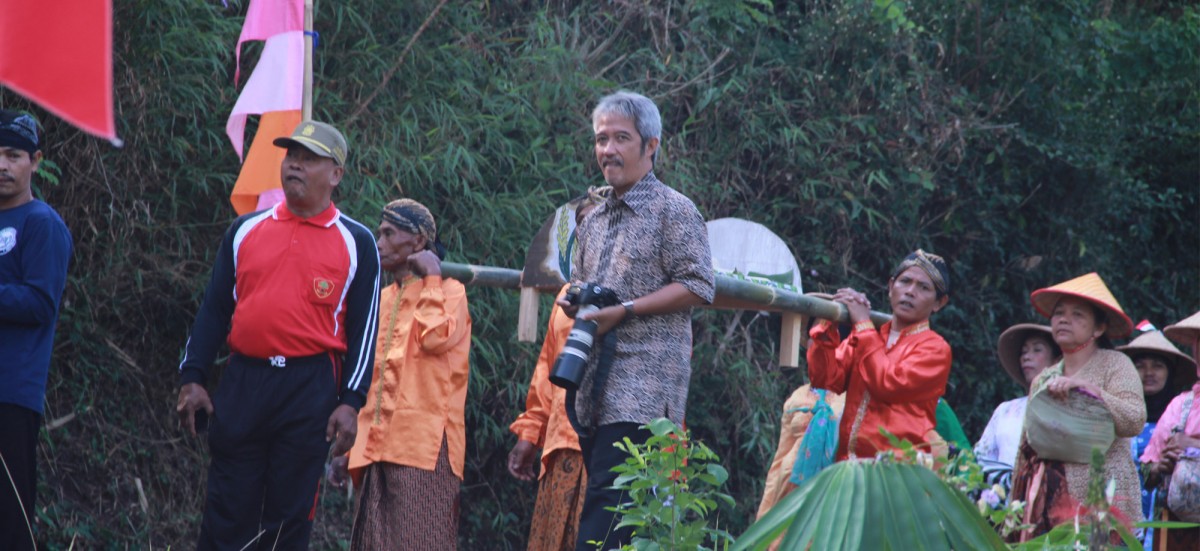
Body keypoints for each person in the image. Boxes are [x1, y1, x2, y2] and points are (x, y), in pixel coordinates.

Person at [174, 120, 380, 550]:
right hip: (244, 380)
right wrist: (191, 377)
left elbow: (365, 332)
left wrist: (351, 402)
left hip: (309, 388)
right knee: (227, 504)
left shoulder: (357, 242)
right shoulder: (245, 230)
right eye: (291, 157)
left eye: (309, 159)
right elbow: (213, 310)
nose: (296, 166)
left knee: (289, 513)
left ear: (336, 174)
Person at [557, 90, 715, 550]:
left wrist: (624, 310)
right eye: (601, 139)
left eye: (621, 138)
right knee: (618, 512)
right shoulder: (593, 219)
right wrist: (577, 302)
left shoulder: (674, 209)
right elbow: (583, 285)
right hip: (593, 387)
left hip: (645, 388)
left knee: (612, 512)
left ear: (651, 145)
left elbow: (699, 285)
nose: (608, 149)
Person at [323, 198, 471, 550]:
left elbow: (435, 338)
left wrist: (432, 278)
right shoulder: (381, 297)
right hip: (373, 448)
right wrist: (348, 450)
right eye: (379, 234)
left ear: (418, 242)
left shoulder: (450, 291)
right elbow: (368, 380)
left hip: (425, 450)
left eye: (389, 234)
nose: (379, 244)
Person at [508, 188, 609, 551]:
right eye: (581, 227)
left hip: (619, 448)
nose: (585, 236)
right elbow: (547, 370)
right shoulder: (567, 295)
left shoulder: (644, 292)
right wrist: (530, 434)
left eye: (597, 225)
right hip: (564, 444)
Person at [1009, 272, 1144, 542]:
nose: (1063, 319)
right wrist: (1016, 508)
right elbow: (1026, 449)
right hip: (1047, 504)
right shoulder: (1043, 378)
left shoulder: (1115, 364)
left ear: (1098, 329)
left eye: (1077, 315)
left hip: (1104, 503)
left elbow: (1134, 419)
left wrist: (1093, 392)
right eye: (1059, 313)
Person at [0, 110, 72, 551]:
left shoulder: (41, 223)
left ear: (36, 162)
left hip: (11, 391)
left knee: (9, 516)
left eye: (13, 155)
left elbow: (42, 301)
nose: (2, 165)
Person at [807, 249, 953, 460]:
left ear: (939, 303)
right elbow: (826, 379)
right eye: (905, 282)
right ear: (891, 286)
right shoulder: (869, 336)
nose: (910, 292)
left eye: (923, 288)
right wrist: (829, 323)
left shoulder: (935, 349)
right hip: (848, 466)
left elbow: (887, 384)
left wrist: (863, 324)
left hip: (898, 471)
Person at [973, 324, 1060, 491]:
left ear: (1057, 360)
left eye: (1037, 350)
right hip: (1002, 507)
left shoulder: (1070, 409)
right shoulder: (1005, 410)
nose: (1027, 356)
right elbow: (980, 459)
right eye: (1024, 352)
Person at [1139, 310, 1200, 549]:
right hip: (1178, 534)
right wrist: (1158, 467)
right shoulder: (1182, 404)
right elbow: (1147, 470)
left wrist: (1193, 446)